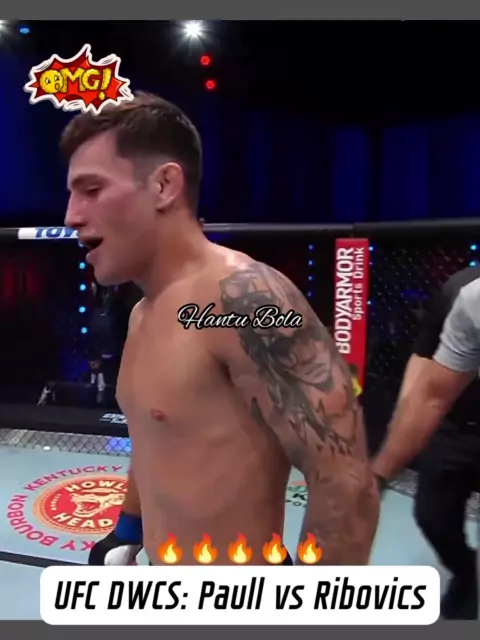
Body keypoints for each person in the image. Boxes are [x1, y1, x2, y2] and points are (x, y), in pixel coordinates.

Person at [62, 91, 379, 566]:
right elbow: (154, 438)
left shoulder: (246, 300)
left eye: (91, 190)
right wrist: (127, 529)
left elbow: (345, 482)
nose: (71, 215)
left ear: (164, 186)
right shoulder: (143, 312)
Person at [372, 267, 480, 619]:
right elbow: (430, 387)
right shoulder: (467, 295)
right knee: (432, 515)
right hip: (458, 426)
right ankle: (466, 572)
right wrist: (381, 473)